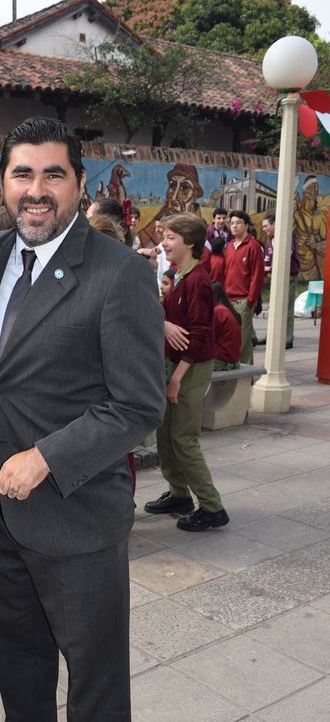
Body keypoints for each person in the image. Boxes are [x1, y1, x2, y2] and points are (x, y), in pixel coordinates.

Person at [0, 117, 165, 722]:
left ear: (80, 184)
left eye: (53, 174)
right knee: (13, 645)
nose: (37, 190)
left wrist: (48, 457)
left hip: (77, 511)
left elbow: (138, 405)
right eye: (23, 174)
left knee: (94, 670)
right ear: (4, 183)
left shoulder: (119, 273)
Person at [145, 213, 229, 532]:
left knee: (183, 438)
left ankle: (212, 507)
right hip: (176, 365)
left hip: (190, 369)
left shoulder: (198, 281)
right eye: (164, 237)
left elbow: (200, 334)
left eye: (170, 238)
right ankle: (179, 494)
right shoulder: (180, 275)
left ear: (190, 242)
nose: (164, 243)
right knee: (166, 434)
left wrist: (177, 378)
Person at [224, 209, 264, 364]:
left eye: (238, 223)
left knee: (242, 339)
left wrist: (250, 300)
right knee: (235, 338)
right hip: (229, 299)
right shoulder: (229, 246)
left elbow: (257, 275)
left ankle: (245, 372)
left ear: (246, 225)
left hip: (244, 299)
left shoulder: (253, 246)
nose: (234, 226)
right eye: (232, 223)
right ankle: (247, 372)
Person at [261, 213, 300, 350]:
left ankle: (287, 339)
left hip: (288, 276)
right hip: (276, 277)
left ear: (274, 224)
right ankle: (270, 337)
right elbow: (267, 258)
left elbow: (287, 253)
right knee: (274, 306)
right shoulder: (271, 240)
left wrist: (272, 267)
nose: (264, 229)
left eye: (266, 226)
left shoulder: (286, 236)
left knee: (286, 307)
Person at [211, 282, 242, 371]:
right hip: (233, 359)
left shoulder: (217, 312)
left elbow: (208, 340)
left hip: (222, 361)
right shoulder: (226, 309)